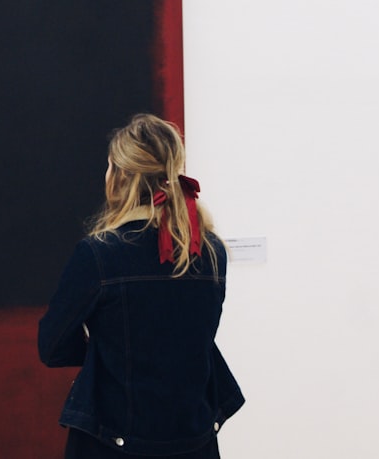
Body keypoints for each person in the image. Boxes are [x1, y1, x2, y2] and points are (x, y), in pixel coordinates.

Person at [38, 114, 243, 458]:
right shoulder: (212, 252)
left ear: (119, 177)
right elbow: (192, 336)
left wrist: (106, 351)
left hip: (113, 444)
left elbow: (52, 346)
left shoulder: (99, 254)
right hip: (194, 442)